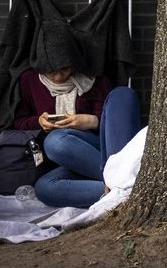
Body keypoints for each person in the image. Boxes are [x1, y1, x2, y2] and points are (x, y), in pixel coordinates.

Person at [12, 20, 141, 208]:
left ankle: (121, 182)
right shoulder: (29, 80)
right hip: (73, 157)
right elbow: (20, 121)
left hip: (102, 148)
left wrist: (90, 121)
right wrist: (39, 121)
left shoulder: (93, 79)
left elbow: (115, 126)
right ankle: (125, 189)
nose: (58, 76)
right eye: (51, 71)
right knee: (45, 186)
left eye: (64, 69)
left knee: (122, 95)